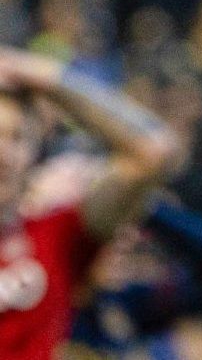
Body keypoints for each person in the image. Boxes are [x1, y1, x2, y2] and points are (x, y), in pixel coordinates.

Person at [0, 47, 180, 358]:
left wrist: (37, 73)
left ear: (36, 152)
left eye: (16, 138)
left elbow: (153, 149)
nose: (2, 154)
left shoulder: (55, 235)